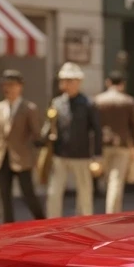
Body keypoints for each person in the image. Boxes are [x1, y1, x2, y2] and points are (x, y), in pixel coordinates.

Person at [0, 70, 45, 223]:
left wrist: (38, 157)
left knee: (28, 193)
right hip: (1, 156)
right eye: (5, 85)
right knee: (4, 196)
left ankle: (41, 220)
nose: (8, 88)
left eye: (12, 85)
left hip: (22, 157)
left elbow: (36, 135)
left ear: (20, 87)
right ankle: (7, 226)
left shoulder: (29, 108)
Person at [43, 63, 102, 219]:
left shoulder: (88, 103)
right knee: (54, 192)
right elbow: (49, 125)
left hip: (81, 155)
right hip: (60, 153)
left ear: (78, 82)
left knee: (84, 194)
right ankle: (52, 222)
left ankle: (85, 221)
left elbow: (97, 131)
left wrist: (97, 156)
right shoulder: (56, 102)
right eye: (64, 80)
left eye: (70, 80)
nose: (66, 84)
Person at [95, 71, 134, 214]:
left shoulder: (98, 101)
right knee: (116, 180)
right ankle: (112, 212)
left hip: (103, 144)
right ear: (122, 84)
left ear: (108, 82)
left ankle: (110, 209)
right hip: (122, 145)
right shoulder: (128, 101)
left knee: (107, 180)